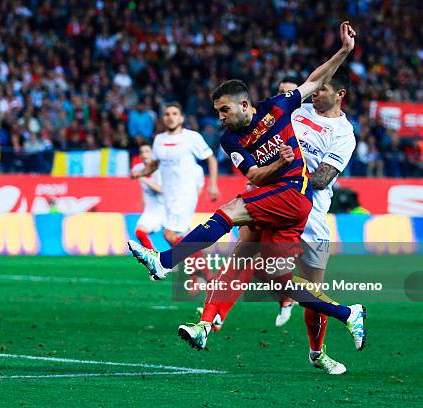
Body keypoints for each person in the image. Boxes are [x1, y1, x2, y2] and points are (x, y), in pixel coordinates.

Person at [127, 22, 366, 353]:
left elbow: (314, 80)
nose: (220, 118)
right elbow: (254, 176)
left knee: (230, 216)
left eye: (224, 110)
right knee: (271, 275)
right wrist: (281, 163)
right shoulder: (231, 138)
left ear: (243, 105)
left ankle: (166, 262)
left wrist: (344, 51)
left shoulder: (286, 110)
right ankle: (347, 313)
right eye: (217, 112)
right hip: (277, 194)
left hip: (301, 199)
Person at [197, 68, 357, 374]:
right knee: (244, 255)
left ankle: (317, 352)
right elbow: (263, 128)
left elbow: (322, 179)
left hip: (309, 210)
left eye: (322, 90)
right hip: (272, 197)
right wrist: (266, 170)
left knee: (312, 292)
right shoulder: (297, 113)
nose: (315, 93)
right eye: (316, 89)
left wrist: (292, 165)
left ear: (339, 95)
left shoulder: (343, 134)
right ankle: (211, 317)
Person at [131, 102, 219, 247]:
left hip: (184, 194)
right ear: (163, 118)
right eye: (167, 114)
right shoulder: (159, 140)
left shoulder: (191, 137)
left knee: (169, 234)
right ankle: (195, 266)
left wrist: (213, 185)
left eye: (174, 114)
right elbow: (155, 165)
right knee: (180, 237)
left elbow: (211, 159)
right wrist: (139, 173)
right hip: (168, 197)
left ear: (181, 118)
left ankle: (194, 265)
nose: (170, 117)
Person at [132, 142, 166, 249]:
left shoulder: (161, 169)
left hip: (167, 210)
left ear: (153, 153)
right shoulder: (138, 168)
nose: (144, 155)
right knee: (139, 232)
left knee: (180, 237)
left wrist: (144, 179)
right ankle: (154, 258)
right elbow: (144, 190)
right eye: (141, 152)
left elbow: (162, 190)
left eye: (147, 151)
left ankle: (195, 258)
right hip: (151, 212)